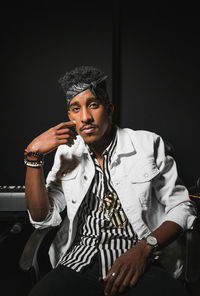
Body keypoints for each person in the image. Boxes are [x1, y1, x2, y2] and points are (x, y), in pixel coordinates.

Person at [24, 66, 196, 296]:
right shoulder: (66, 153)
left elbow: (182, 207)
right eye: (76, 109)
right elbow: (41, 218)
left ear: (109, 109)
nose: (85, 117)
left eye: (93, 105)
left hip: (141, 260)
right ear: (70, 117)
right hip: (78, 260)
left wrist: (145, 248)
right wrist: (33, 156)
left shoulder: (147, 144)